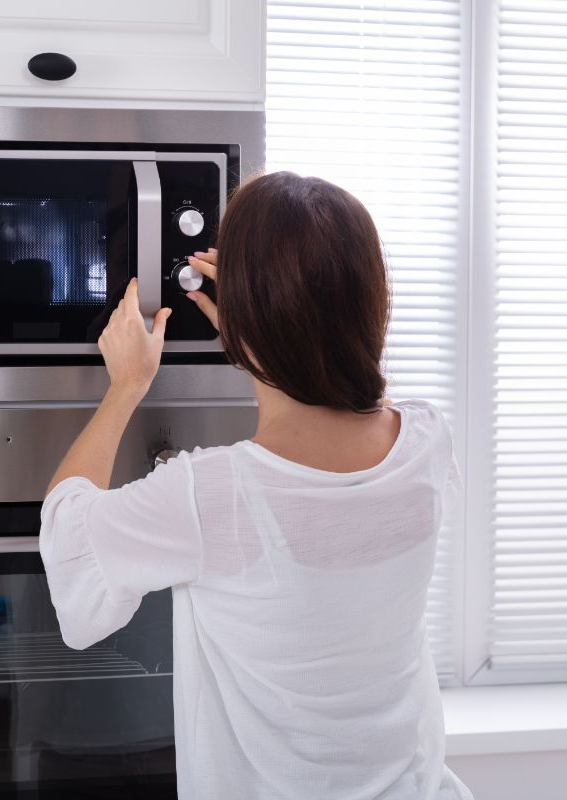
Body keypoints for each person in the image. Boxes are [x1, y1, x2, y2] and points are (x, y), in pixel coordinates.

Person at [39, 171, 472, 799]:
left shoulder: (212, 493)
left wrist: (127, 385)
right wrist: (256, 332)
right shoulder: (427, 439)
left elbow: (70, 535)